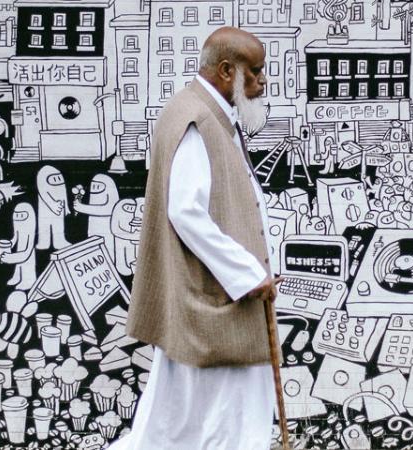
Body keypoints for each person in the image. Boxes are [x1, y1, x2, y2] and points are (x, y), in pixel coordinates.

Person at [112, 27, 283, 450]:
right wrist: (247, 274)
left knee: (183, 418)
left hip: (209, 297)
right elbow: (185, 210)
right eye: (256, 72)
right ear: (227, 71)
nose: (262, 83)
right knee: (225, 416)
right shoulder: (199, 118)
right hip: (217, 299)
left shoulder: (203, 110)